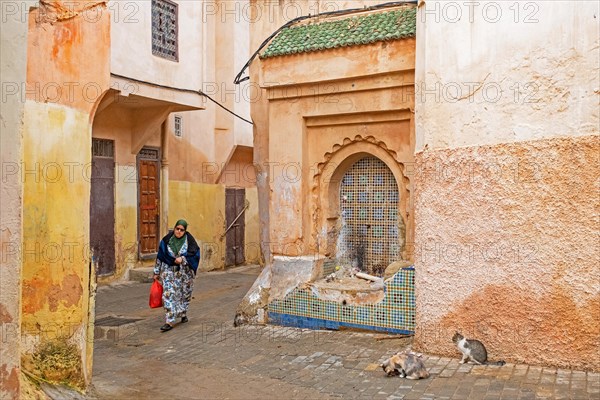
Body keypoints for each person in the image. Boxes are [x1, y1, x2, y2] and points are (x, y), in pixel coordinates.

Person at [153, 219, 200, 332]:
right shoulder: (166, 241)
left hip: (184, 274)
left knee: (184, 294)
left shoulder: (190, 241)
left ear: (185, 231)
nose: (179, 231)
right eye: (177, 229)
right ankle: (169, 321)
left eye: (181, 230)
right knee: (168, 295)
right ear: (174, 228)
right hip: (168, 272)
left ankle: (183, 313)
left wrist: (183, 259)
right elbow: (160, 257)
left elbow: (195, 255)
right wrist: (156, 272)